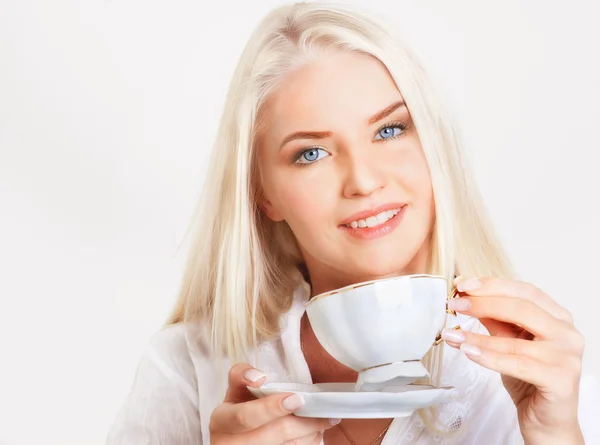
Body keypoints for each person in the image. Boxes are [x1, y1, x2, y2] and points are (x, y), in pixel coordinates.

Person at [106, 2, 600, 444]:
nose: (363, 181)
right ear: (262, 194)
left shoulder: (536, 368)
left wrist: (556, 435)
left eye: (390, 129)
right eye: (311, 153)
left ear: (435, 145)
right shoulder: (188, 366)